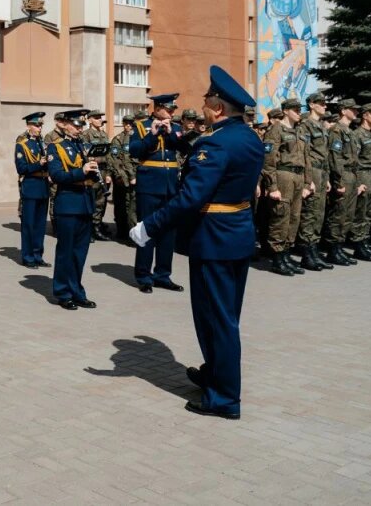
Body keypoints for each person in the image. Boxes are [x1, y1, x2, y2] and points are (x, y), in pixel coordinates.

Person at [130, 65, 264, 420]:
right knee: (224, 314)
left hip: (214, 238)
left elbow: (190, 197)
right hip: (236, 232)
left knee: (215, 318)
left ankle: (224, 398)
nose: (202, 106)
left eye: (207, 100)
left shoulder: (216, 144)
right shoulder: (248, 137)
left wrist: (149, 227)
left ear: (218, 108)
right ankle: (214, 374)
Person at [128, 94, 189, 293]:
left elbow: (186, 148)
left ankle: (163, 275)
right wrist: (151, 135)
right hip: (149, 185)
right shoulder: (140, 126)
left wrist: (171, 134)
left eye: (173, 110)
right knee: (147, 229)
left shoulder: (177, 128)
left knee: (168, 232)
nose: (172, 113)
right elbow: (135, 151)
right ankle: (144, 276)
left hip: (170, 185)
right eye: (169, 110)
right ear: (158, 108)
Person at [47, 109, 99, 310]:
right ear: (66, 124)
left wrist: (94, 173)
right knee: (65, 252)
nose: (79, 129)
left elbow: (90, 175)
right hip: (68, 204)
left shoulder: (83, 146)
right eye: (76, 125)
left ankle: (77, 291)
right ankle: (63, 292)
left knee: (80, 253)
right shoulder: (55, 148)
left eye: (81, 126)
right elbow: (57, 176)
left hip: (85, 204)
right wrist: (81, 171)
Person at [261, 97, 312, 276]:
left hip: (298, 176)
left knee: (294, 217)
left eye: (300, 109)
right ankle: (277, 257)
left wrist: (307, 181)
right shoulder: (276, 130)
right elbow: (268, 160)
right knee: (281, 216)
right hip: (283, 175)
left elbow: (307, 159)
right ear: (286, 111)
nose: (299, 112)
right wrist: (272, 186)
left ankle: (286, 254)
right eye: (295, 109)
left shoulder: (298, 131)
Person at [294, 93, 332, 270]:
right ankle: (306, 254)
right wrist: (308, 180)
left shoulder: (321, 126)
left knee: (319, 213)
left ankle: (314, 250)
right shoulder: (305, 125)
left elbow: (326, 155)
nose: (325, 106)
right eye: (321, 103)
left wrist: (328, 177)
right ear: (311, 105)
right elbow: (304, 153)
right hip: (313, 170)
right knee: (309, 213)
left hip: (322, 171)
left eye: (325, 103)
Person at [321, 99, 360, 266]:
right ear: (344, 111)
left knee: (348, 214)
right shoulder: (337, 130)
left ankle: (339, 246)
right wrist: (338, 180)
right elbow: (335, 157)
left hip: (351, 174)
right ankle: (332, 249)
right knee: (338, 214)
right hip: (343, 174)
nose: (356, 112)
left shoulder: (349, 131)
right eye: (353, 109)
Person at [350, 103, 371, 261]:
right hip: (363, 175)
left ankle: (364, 242)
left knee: (370, 213)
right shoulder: (357, 135)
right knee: (361, 212)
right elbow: (354, 160)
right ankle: (358, 245)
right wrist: (357, 182)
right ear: (365, 115)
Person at [16, 112, 50, 269]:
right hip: (31, 186)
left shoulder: (42, 143)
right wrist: (39, 164)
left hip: (43, 187)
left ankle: (38, 255)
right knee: (29, 224)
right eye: (36, 125)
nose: (39, 128)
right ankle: (28, 256)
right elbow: (21, 168)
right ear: (29, 126)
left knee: (40, 225)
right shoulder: (22, 145)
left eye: (41, 125)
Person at [80, 110, 112, 240]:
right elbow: (85, 155)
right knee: (90, 201)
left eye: (100, 118)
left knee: (101, 201)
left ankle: (96, 227)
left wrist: (109, 173)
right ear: (90, 120)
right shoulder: (85, 135)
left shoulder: (104, 134)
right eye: (97, 118)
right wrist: (97, 160)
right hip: (92, 172)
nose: (100, 120)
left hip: (104, 172)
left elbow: (109, 156)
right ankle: (88, 230)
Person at [108, 115, 138, 240]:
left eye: (131, 124)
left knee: (132, 206)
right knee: (121, 205)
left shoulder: (137, 138)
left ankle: (132, 232)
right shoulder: (118, 139)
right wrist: (120, 175)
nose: (128, 126)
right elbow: (114, 159)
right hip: (122, 178)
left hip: (136, 176)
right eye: (126, 124)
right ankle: (121, 231)